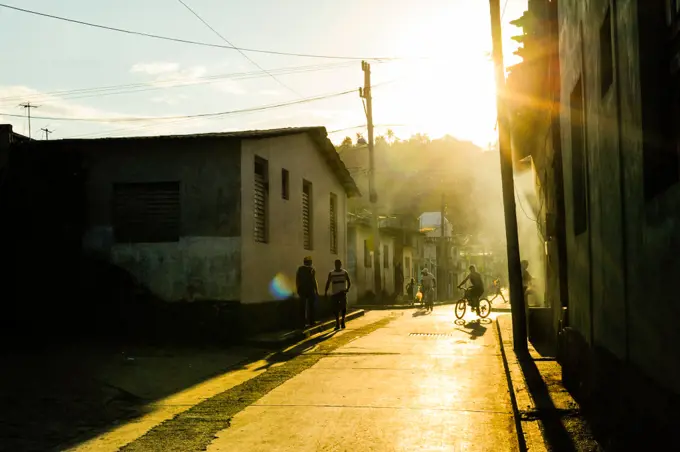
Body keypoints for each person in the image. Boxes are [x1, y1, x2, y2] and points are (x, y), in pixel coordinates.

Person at [325, 259, 351, 330]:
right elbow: (328, 282)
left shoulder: (344, 272)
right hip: (335, 293)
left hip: (342, 293)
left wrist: (347, 289)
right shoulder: (331, 273)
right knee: (335, 309)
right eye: (336, 264)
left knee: (343, 308)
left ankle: (342, 321)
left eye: (339, 264)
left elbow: (349, 282)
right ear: (335, 265)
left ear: (340, 265)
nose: (338, 266)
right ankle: (337, 323)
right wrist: (325, 292)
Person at [296, 256, 318, 327]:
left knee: (304, 306)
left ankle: (304, 322)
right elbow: (314, 280)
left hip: (304, 289)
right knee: (309, 306)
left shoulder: (301, 269)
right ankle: (310, 321)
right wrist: (316, 290)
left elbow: (297, 279)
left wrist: (298, 288)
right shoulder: (310, 269)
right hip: (308, 289)